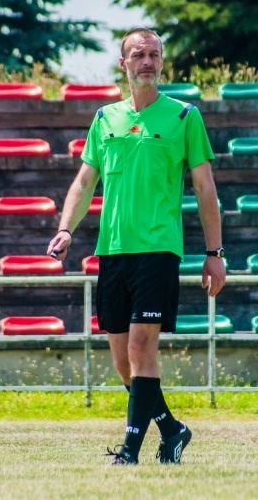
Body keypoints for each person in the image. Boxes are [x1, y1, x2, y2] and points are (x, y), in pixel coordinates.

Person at [47, 27, 226, 466]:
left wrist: (214, 253)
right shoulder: (104, 119)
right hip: (112, 250)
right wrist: (66, 228)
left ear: (162, 62)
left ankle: (129, 451)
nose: (148, 61)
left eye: (155, 54)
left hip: (159, 249)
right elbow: (85, 181)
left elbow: (205, 189)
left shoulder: (185, 116)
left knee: (141, 349)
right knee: (122, 360)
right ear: (123, 64)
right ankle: (172, 429)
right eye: (138, 55)